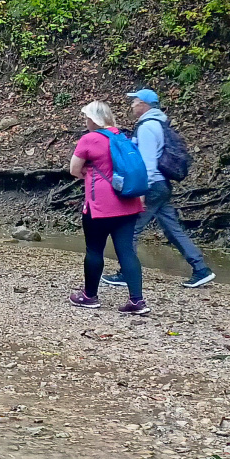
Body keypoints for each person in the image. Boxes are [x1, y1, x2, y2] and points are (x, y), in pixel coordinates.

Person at [125, 88, 214, 289]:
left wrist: (141, 192)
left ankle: (126, 272)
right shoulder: (159, 124)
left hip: (152, 187)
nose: (132, 105)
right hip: (162, 185)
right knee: (172, 229)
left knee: (130, 229)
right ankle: (201, 269)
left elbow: (147, 164)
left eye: (135, 101)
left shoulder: (147, 128)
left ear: (144, 105)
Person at [68, 101, 148, 314]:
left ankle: (89, 296)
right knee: (127, 252)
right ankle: (137, 301)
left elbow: (74, 169)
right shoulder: (122, 137)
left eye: (86, 118)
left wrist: (88, 171)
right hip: (129, 203)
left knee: (94, 250)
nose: (85, 121)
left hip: (99, 205)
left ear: (93, 119)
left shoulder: (89, 139)